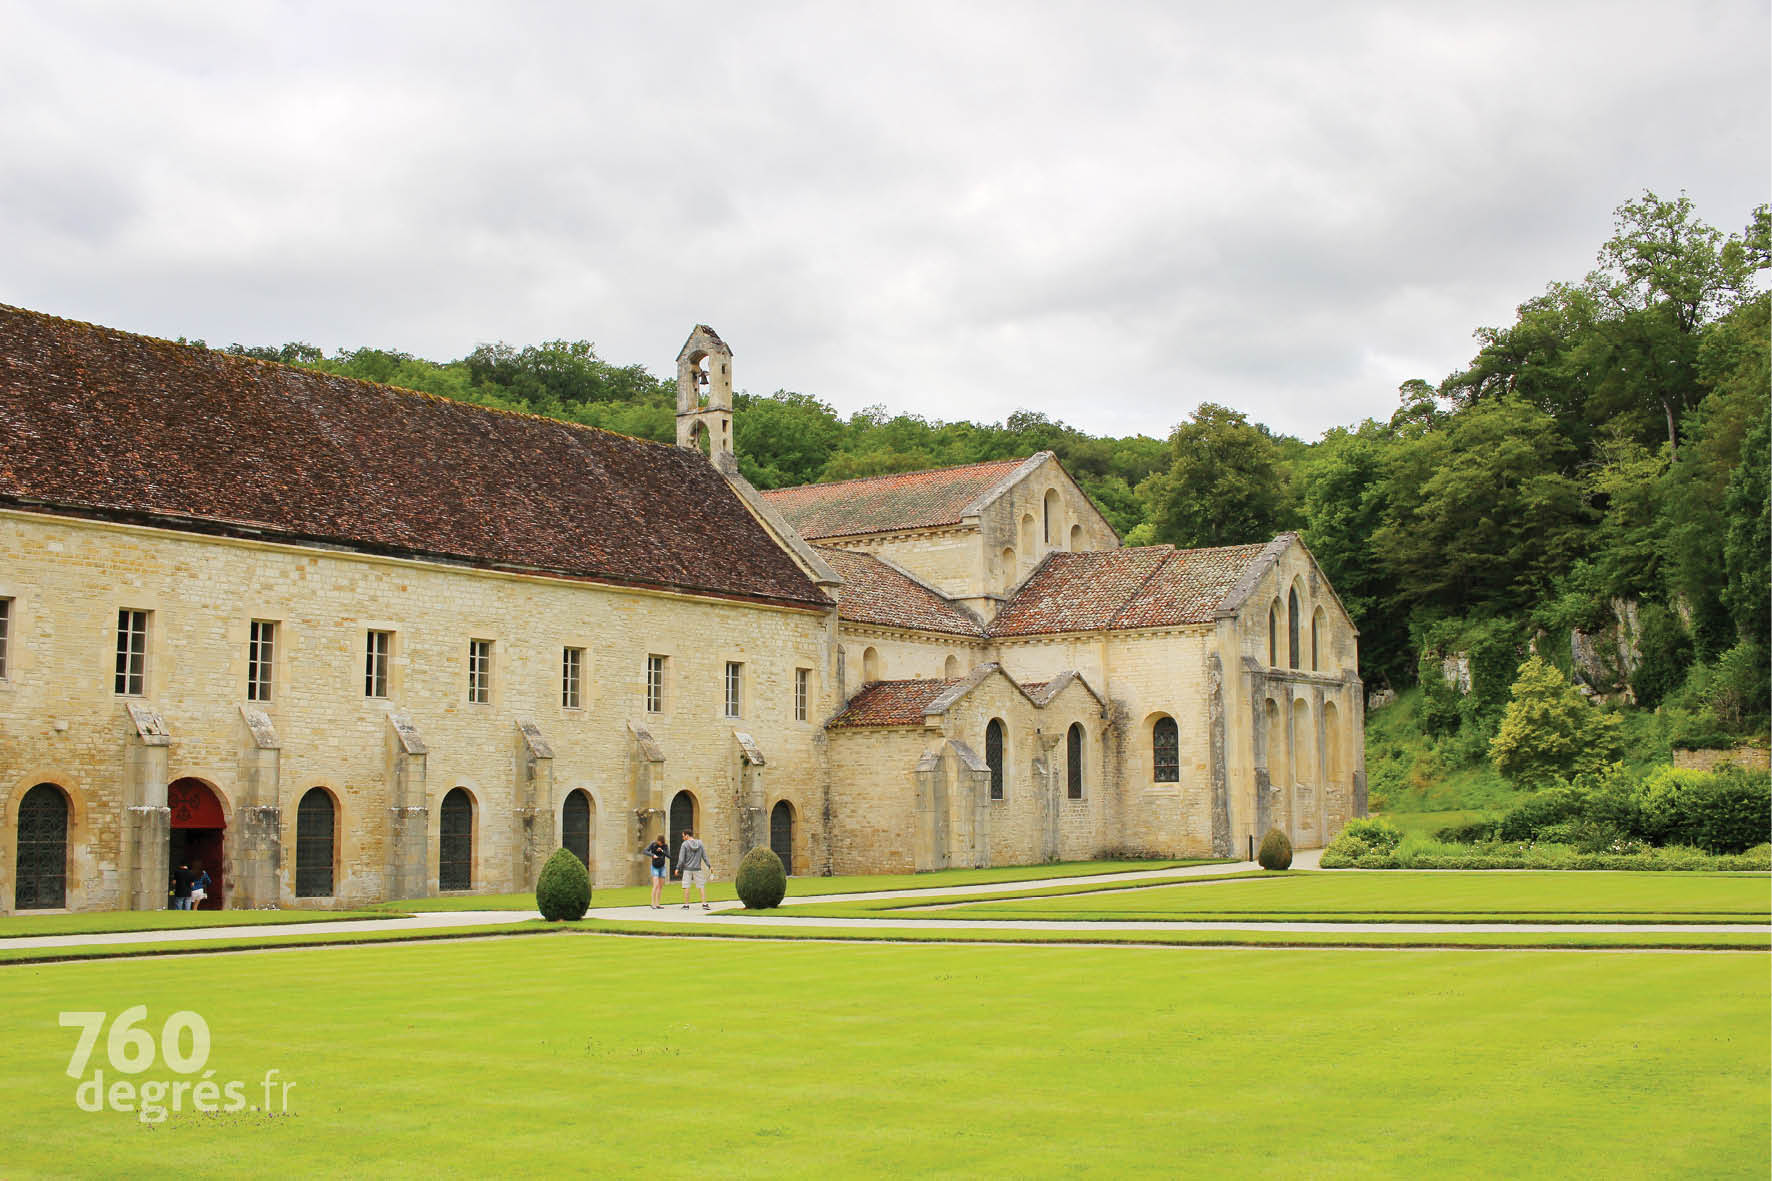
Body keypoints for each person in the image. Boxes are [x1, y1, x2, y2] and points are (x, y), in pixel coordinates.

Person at [676, 829, 714, 910]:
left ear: (687, 835)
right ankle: (704, 904)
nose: (683, 838)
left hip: (687, 869)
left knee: (686, 886)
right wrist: (709, 866)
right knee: (701, 886)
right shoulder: (700, 843)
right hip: (697, 868)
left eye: (683, 836)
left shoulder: (684, 844)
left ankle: (686, 905)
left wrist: (677, 868)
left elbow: (681, 859)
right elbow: (704, 856)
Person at [645, 835, 671, 909]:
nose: (659, 844)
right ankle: (652, 903)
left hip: (662, 867)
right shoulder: (653, 844)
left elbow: (669, 856)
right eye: (659, 842)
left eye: (661, 843)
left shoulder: (665, 846)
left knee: (660, 886)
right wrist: (653, 855)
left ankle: (657, 904)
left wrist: (662, 851)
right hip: (655, 867)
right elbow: (645, 851)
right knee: (655, 885)